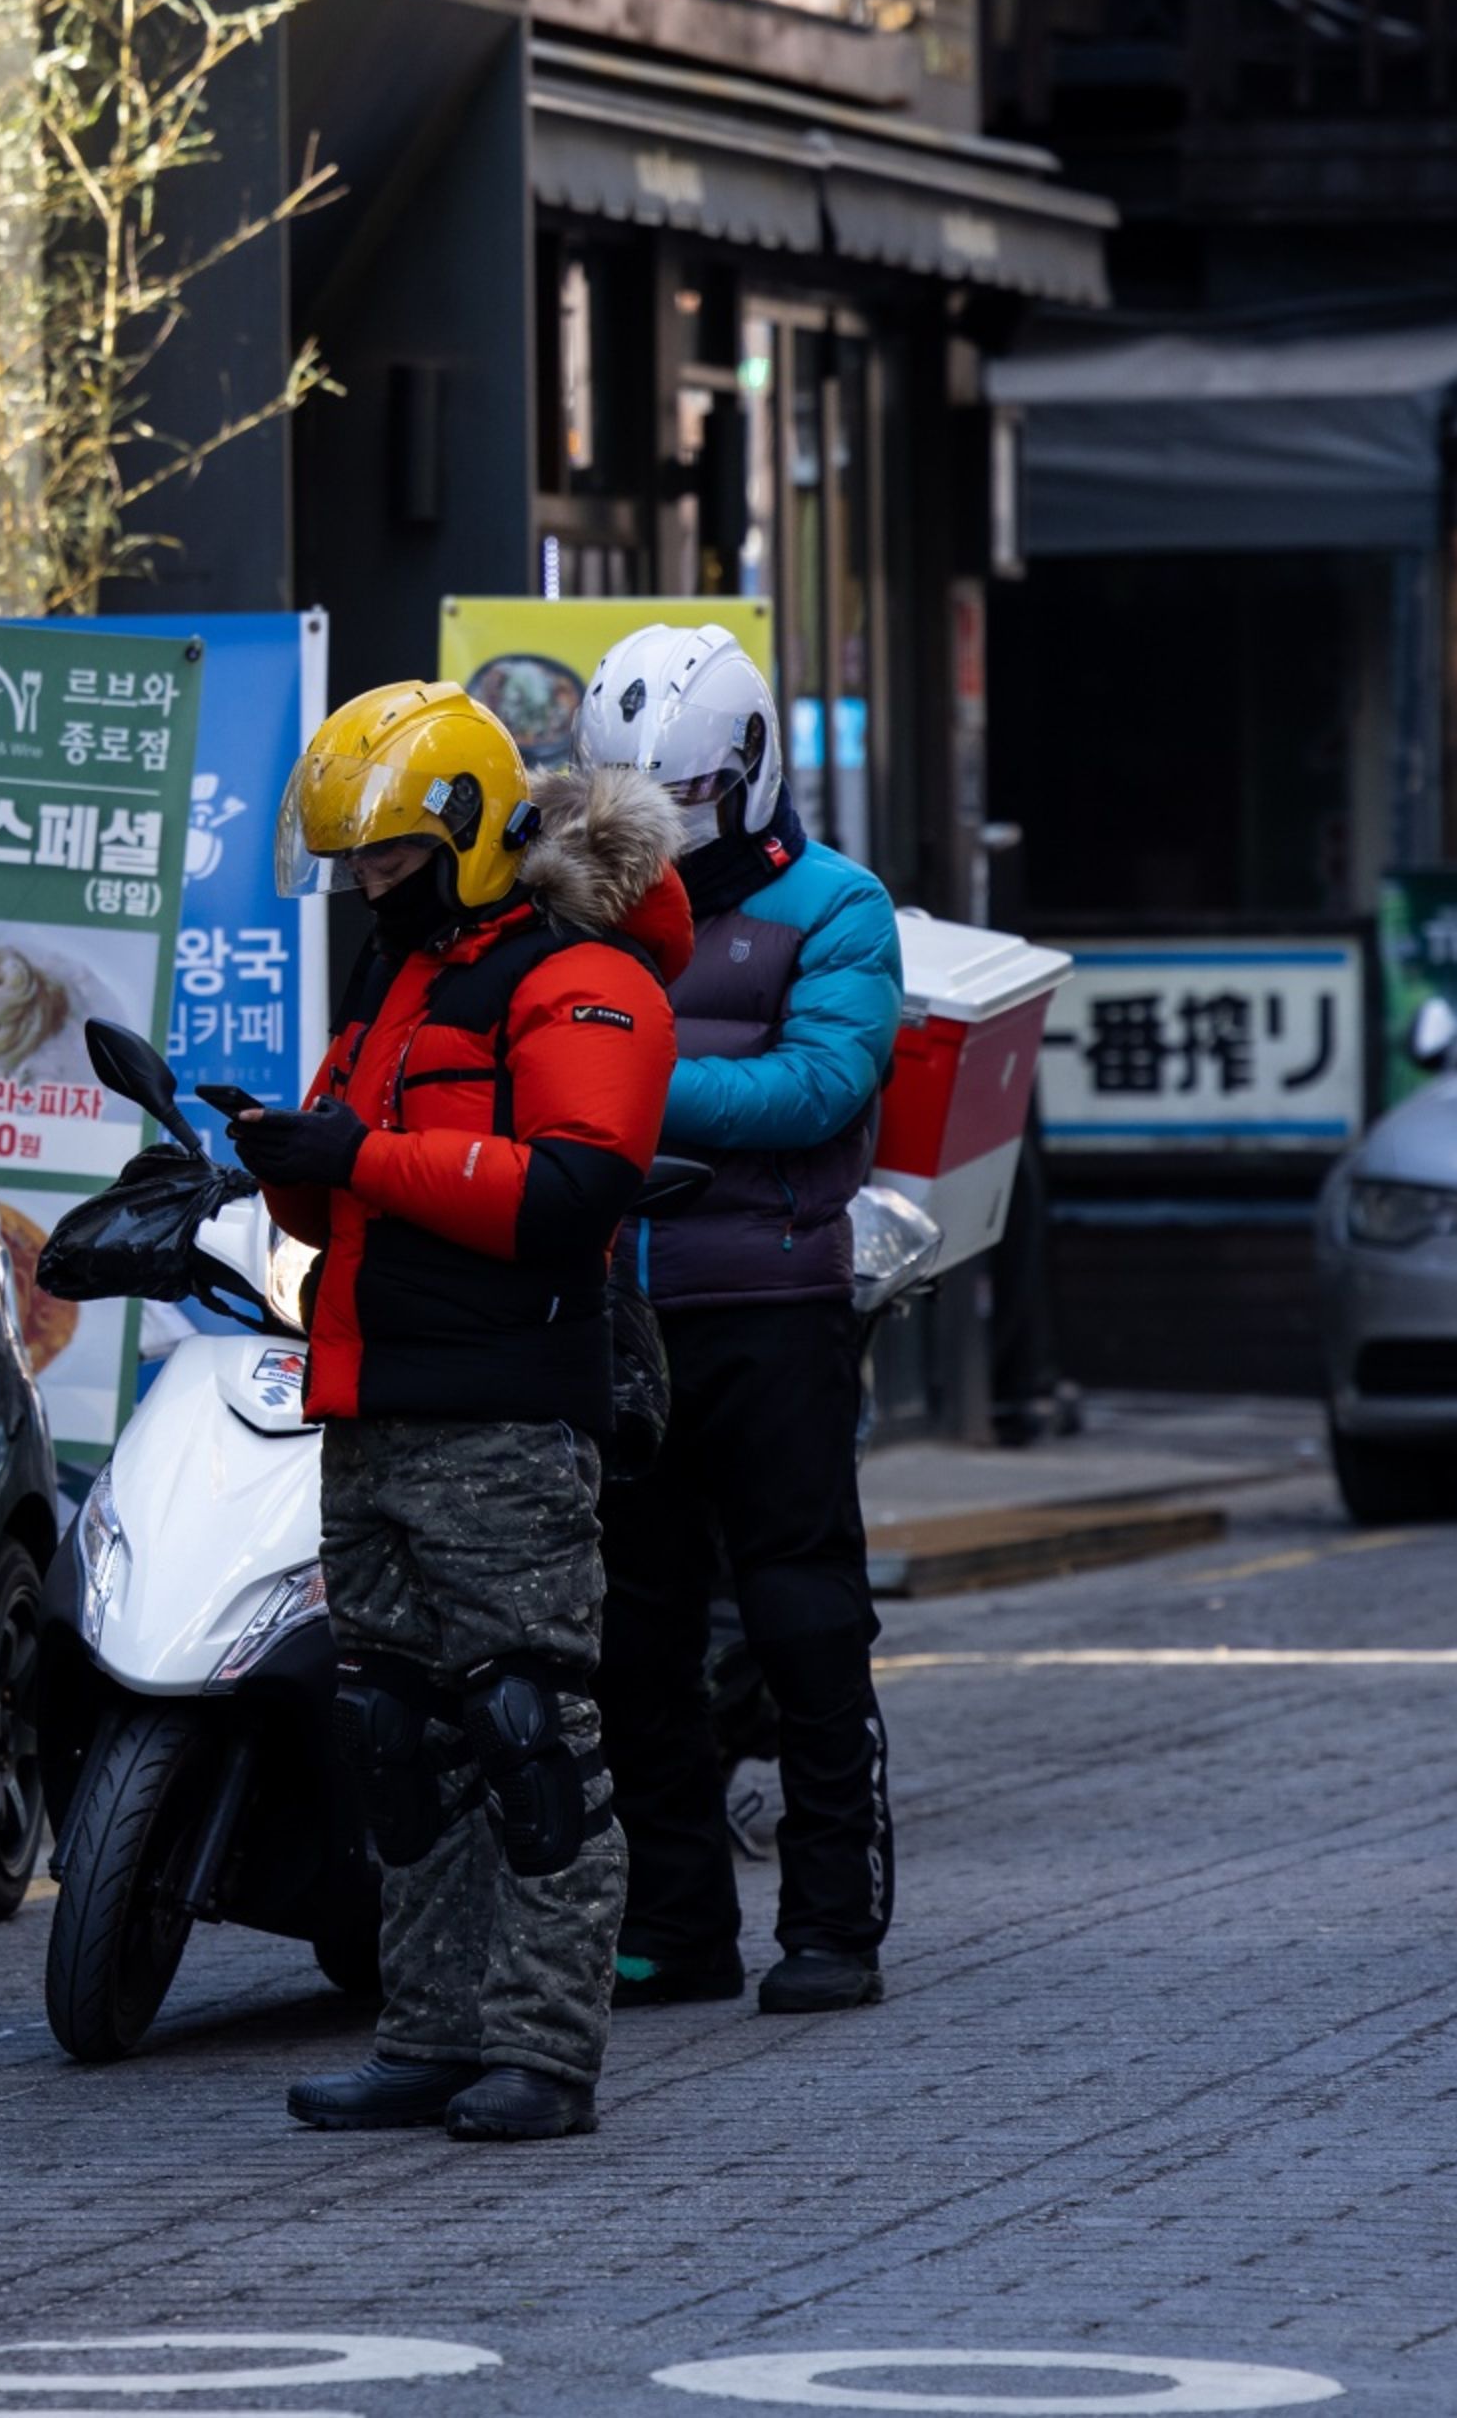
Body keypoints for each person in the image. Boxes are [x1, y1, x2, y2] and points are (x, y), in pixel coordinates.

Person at [233, 680, 688, 2144]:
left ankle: (546, 2053)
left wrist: (353, 1157)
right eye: (355, 863)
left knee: (525, 1732)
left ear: (476, 833)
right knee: (400, 1736)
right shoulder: (390, 981)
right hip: (370, 1402)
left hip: (503, 1414)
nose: (371, 884)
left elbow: (572, 1194)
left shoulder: (576, 980)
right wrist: (284, 1154)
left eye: (391, 857)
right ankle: (426, 2036)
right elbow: (342, 1174)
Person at [571, 626, 904, 2016]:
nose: (659, 837)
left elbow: (820, 1087)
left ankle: (833, 1918)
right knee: (631, 1633)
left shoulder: (838, 907)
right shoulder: (573, 904)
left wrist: (615, 1090)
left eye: (685, 804)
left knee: (801, 1614)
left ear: (750, 773)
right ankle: (676, 1922)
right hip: (614, 1309)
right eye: (631, 809)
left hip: (771, 1302)